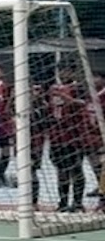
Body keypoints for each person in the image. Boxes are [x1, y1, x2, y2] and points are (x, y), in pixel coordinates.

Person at [47, 65, 87, 213]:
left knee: (76, 169)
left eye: (67, 70)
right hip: (56, 136)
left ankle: (77, 203)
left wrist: (67, 98)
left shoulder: (78, 87)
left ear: (73, 72)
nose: (63, 74)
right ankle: (63, 202)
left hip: (74, 136)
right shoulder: (52, 89)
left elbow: (84, 103)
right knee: (61, 171)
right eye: (61, 71)